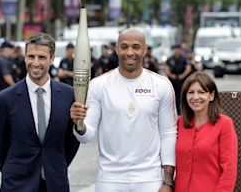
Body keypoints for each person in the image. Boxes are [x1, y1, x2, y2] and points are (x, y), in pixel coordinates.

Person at [70, 28, 177, 192]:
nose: (129, 52)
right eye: (124, 46)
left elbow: (168, 133)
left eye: (135, 47)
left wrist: (168, 181)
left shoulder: (161, 85)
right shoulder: (99, 85)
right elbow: (86, 136)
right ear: (117, 49)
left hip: (149, 179)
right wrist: (79, 123)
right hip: (110, 179)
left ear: (145, 50)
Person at [0, 33, 80, 192]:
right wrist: (14, 169)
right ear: (25, 57)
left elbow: (71, 141)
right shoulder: (5, 99)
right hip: (17, 184)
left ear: (52, 59)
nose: (35, 62)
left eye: (41, 57)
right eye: (31, 56)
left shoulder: (69, 96)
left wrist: (54, 164)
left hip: (55, 183)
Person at [175, 71, 238, 192]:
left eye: (201, 92)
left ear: (212, 96)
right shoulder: (179, 123)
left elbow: (229, 169)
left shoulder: (225, 124)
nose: (195, 97)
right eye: (190, 92)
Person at [164, 44, 192, 114]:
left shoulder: (184, 59)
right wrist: (171, 75)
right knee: (172, 95)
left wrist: (182, 75)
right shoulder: (170, 59)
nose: (177, 51)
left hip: (181, 80)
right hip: (172, 80)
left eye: (178, 49)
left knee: (181, 94)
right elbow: (166, 68)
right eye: (176, 49)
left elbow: (188, 68)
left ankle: (181, 110)